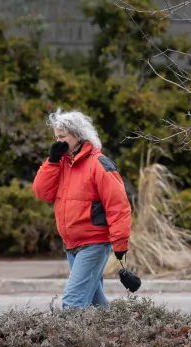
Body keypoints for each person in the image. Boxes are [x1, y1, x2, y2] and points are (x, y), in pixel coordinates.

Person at [32, 108, 132, 309]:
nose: (58, 142)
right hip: (71, 244)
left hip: (94, 243)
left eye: (63, 136)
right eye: (56, 137)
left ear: (78, 135)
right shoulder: (61, 163)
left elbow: (118, 206)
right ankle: (123, 334)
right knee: (96, 303)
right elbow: (42, 193)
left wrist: (120, 244)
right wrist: (51, 162)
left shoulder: (99, 163)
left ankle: (71, 341)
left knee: (73, 303)